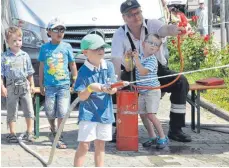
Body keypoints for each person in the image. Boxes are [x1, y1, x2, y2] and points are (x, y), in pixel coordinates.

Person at [111, 0, 191, 146]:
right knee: (118, 89)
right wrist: (116, 82)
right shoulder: (119, 34)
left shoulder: (153, 24)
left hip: (157, 71)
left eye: (138, 12)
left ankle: (176, 129)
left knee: (181, 81)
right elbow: (116, 59)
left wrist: (173, 30)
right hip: (133, 73)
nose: (136, 17)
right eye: (131, 15)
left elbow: (164, 30)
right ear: (124, 18)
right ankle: (120, 128)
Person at [73, 34, 117, 167]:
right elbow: (81, 96)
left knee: (100, 144)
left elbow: (113, 88)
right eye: (96, 48)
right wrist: (91, 88)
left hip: (105, 112)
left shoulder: (108, 66)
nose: (101, 50)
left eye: (102, 47)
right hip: (88, 113)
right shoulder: (83, 71)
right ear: (85, 52)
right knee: (85, 144)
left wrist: (111, 89)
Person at [38, 17, 78, 149]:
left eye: (62, 29)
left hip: (64, 85)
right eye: (56, 29)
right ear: (49, 32)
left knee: (62, 111)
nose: (59, 32)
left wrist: (74, 80)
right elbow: (42, 66)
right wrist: (41, 83)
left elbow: (72, 64)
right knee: (49, 111)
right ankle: (53, 128)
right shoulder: (45, 48)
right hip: (49, 86)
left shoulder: (67, 47)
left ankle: (59, 136)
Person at [125, 33, 169, 149]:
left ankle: (163, 137)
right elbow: (129, 68)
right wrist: (128, 57)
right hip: (143, 92)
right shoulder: (139, 57)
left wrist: (136, 59)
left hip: (152, 92)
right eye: (150, 42)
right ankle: (152, 137)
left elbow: (143, 71)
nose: (152, 46)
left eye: (156, 45)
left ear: (158, 49)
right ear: (144, 44)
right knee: (143, 114)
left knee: (151, 115)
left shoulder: (152, 60)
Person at [1, 26, 35, 143]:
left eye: (19, 40)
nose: (17, 43)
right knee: (11, 109)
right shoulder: (4, 56)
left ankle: (30, 131)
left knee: (28, 108)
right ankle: (12, 133)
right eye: (14, 41)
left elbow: (30, 72)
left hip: (24, 85)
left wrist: (32, 85)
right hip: (11, 85)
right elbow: (1, 74)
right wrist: (2, 87)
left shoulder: (25, 56)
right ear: (8, 41)